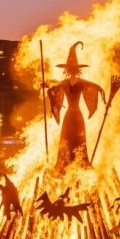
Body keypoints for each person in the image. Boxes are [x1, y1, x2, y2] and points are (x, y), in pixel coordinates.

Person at [47, 42, 106, 172]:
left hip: (75, 114)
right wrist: (48, 89)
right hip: (72, 114)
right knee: (68, 137)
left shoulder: (79, 82)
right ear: (68, 70)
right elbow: (53, 89)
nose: (72, 72)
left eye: (73, 69)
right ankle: (66, 162)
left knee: (78, 138)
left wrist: (103, 95)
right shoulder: (65, 83)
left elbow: (96, 87)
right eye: (71, 69)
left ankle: (81, 161)